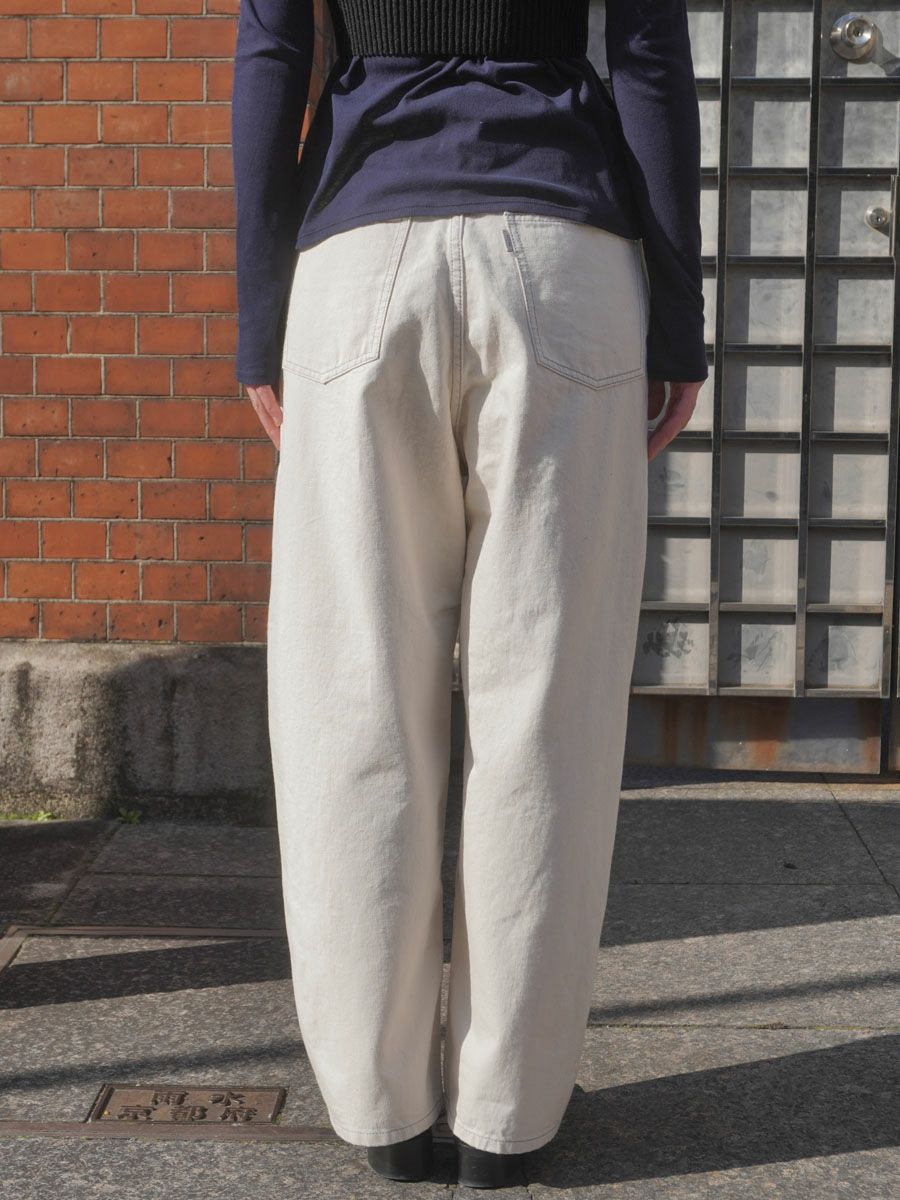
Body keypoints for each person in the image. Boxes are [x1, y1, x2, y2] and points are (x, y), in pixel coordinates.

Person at [231, 0, 707, 1188]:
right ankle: (508, 1119)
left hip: (358, 260)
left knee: (352, 705)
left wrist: (260, 318)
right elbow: (647, 53)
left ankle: (381, 1110)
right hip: (563, 255)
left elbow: (274, 50)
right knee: (547, 710)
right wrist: (679, 320)